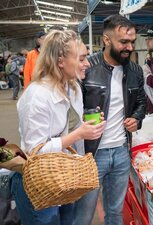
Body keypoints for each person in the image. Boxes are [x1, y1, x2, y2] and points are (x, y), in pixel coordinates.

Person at [12, 29, 105, 225]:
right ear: (60, 61)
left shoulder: (73, 88)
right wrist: (78, 134)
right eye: (81, 59)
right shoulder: (37, 96)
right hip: (40, 185)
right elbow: (34, 152)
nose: (87, 63)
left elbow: (71, 127)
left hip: (64, 180)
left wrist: (86, 126)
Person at [74, 15, 147, 225]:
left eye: (132, 41)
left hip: (121, 152)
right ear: (107, 40)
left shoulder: (135, 71)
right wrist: (87, 117)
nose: (129, 47)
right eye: (123, 42)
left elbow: (142, 102)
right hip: (91, 154)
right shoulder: (88, 68)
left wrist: (136, 118)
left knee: (115, 213)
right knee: (83, 215)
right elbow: (71, 109)